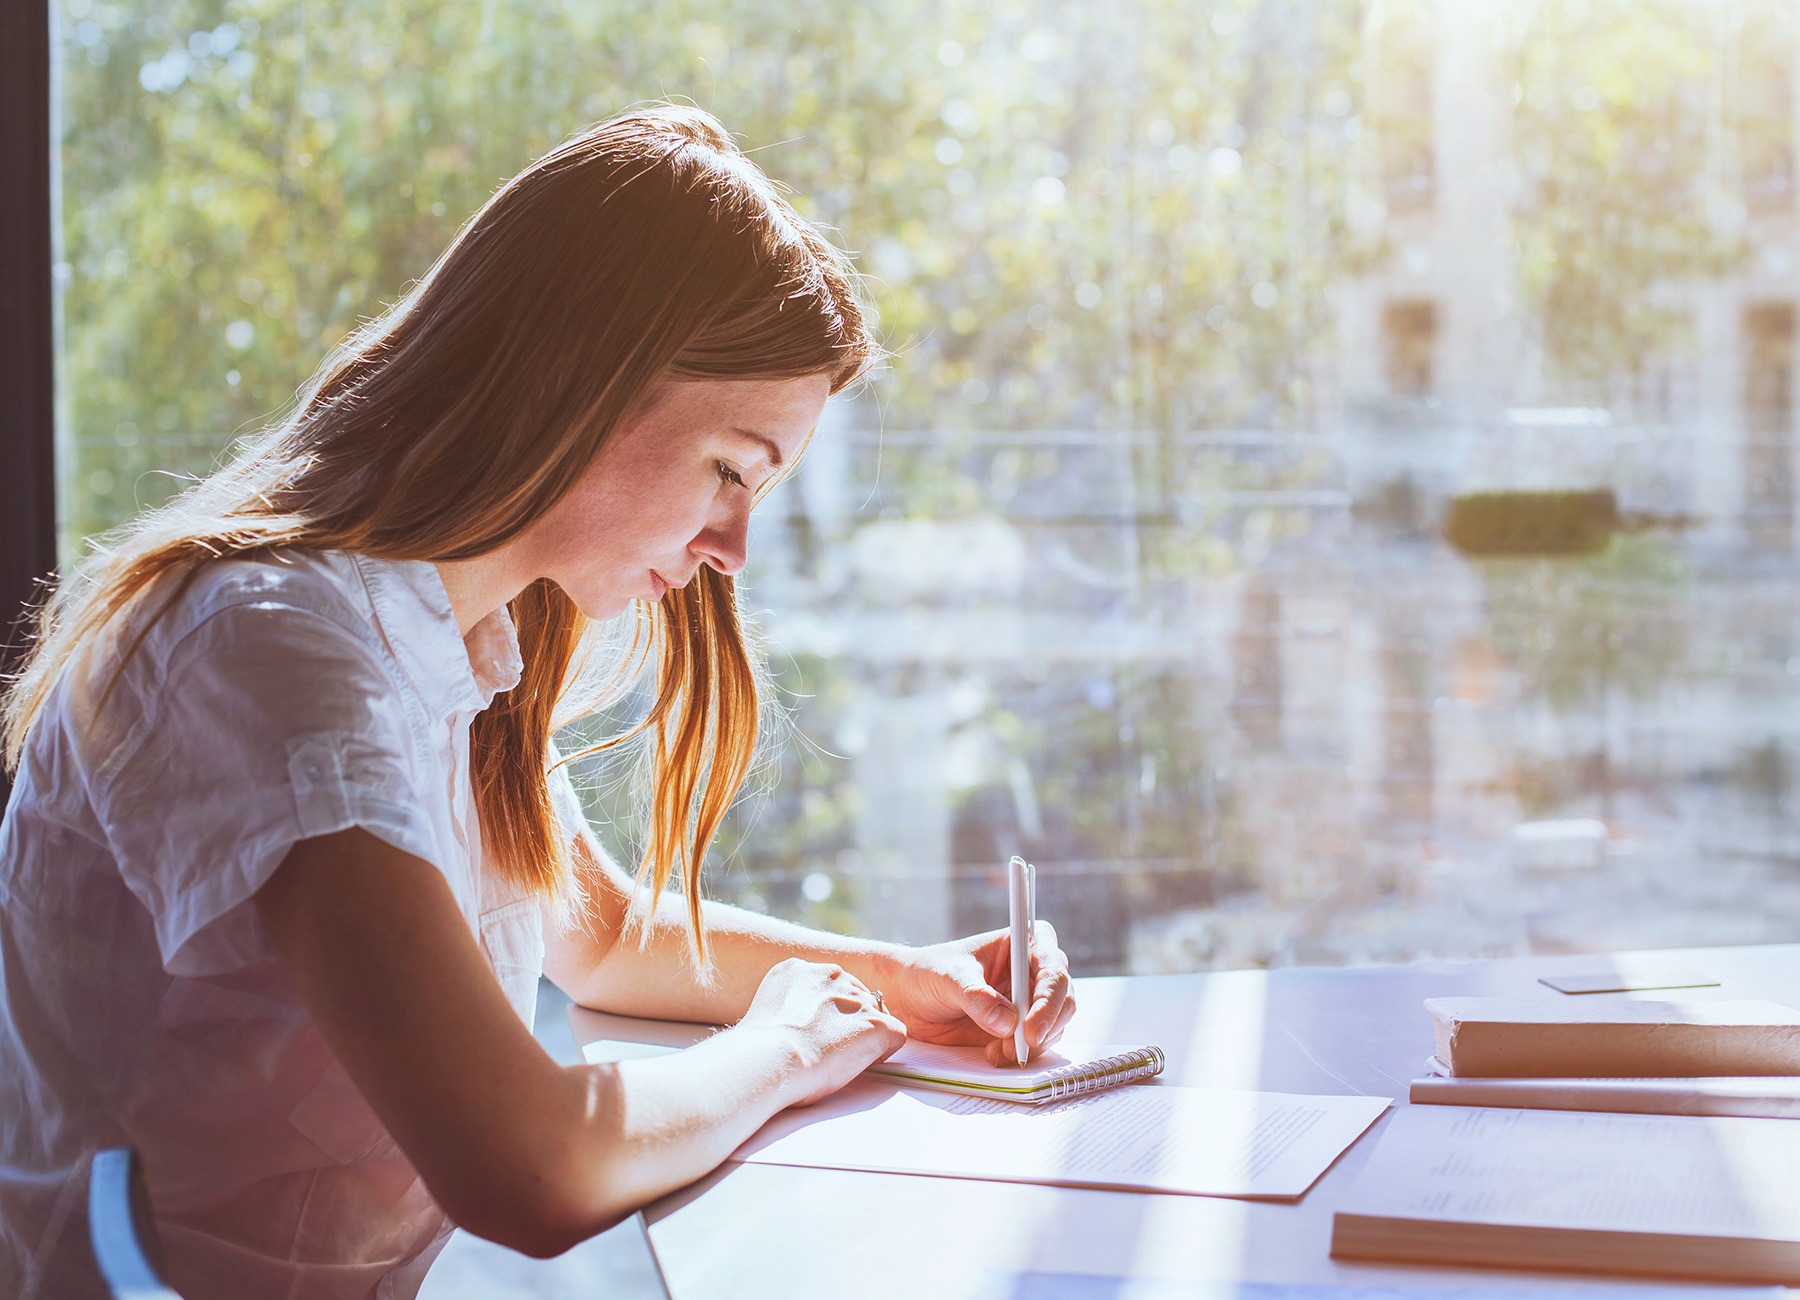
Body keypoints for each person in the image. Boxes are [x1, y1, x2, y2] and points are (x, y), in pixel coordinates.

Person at [0, 105, 1076, 1299]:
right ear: (576, 380)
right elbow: (533, 1168)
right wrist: (787, 1046)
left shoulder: (455, 642)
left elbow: (603, 939)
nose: (732, 549)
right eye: (729, 468)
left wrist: (905, 978)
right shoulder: (269, 653)